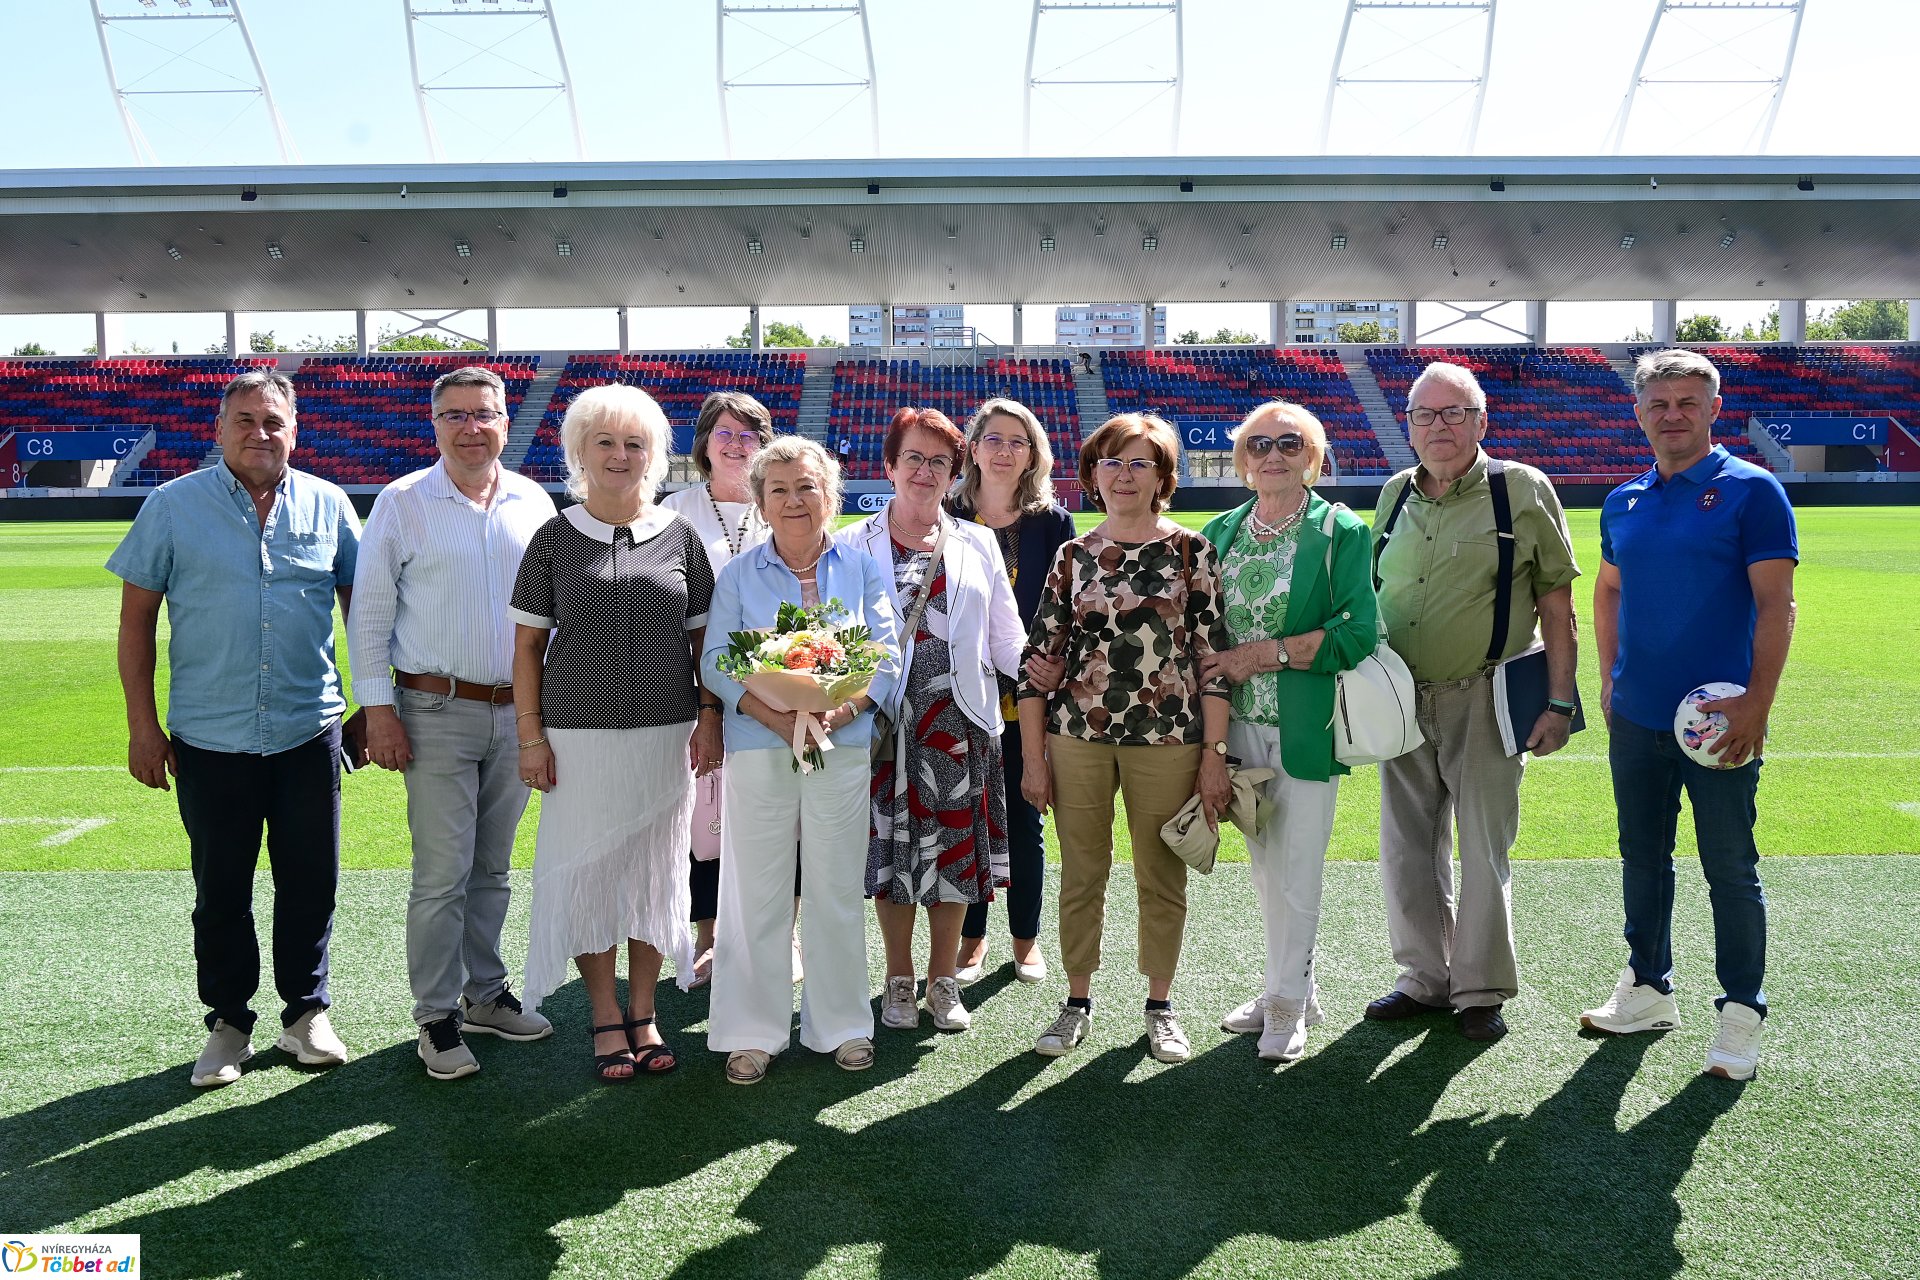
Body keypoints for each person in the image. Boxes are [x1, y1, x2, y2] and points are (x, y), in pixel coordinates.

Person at [108, 370, 361, 1088]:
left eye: (273, 421)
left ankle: (305, 1013)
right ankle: (228, 1023)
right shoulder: (171, 505)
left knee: (311, 881)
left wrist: (376, 702)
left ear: (294, 431)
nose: (259, 433)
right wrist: (142, 726)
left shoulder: (330, 504)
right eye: (244, 420)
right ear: (219, 430)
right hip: (208, 735)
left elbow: (362, 609)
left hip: (308, 729)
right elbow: (136, 622)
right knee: (221, 889)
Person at [1581, 348, 1797, 1082]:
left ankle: (1741, 1013)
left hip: (1719, 722)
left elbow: (1777, 604)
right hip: (1638, 717)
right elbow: (1608, 590)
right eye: (1659, 403)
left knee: (1729, 868)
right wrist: (1609, 680)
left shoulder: (1753, 491)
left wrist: (1758, 703)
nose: (1672, 415)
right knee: (1642, 856)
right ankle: (1648, 988)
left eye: (1687, 403)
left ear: (1713, 410)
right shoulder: (1624, 500)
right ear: (1639, 413)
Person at [346, 365, 557, 1081]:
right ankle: (435, 1015)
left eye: (484, 414)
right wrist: (379, 710)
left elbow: (550, 614)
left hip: (517, 711)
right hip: (433, 710)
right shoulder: (403, 501)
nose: (472, 428)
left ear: (506, 422)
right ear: (434, 425)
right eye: (456, 415)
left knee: (492, 866)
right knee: (442, 872)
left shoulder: (532, 501)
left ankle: (485, 994)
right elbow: (370, 614)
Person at [508, 384, 718, 1082]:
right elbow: (526, 647)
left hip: (665, 735)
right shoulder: (553, 537)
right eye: (605, 441)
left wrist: (710, 716)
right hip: (578, 738)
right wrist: (531, 738)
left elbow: (705, 645)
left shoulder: (681, 536)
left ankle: (644, 1011)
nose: (620, 455)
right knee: (589, 873)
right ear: (580, 451)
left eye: (634, 443)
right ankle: (604, 1014)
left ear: (654, 455)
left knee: (655, 872)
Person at [1369, 361, 1580, 1042]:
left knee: (1484, 847)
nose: (1440, 426)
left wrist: (1560, 703)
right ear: (1408, 426)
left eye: (1454, 412)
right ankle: (1423, 978)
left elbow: (1558, 605)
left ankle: (1481, 989)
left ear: (1480, 421)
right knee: (1406, 847)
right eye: (1425, 415)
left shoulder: (1521, 488)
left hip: (1485, 695)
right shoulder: (1394, 494)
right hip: (1402, 701)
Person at [1016, 413, 1232, 1064]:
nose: (1124, 475)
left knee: (1161, 877)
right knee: (1082, 874)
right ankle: (1076, 1002)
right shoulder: (1072, 556)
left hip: (1170, 739)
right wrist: (1032, 759)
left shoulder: (1192, 552)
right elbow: (1037, 663)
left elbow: (1213, 662)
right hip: (1077, 736)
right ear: (1092, 474)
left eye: (1141, 463)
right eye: (1112, 462)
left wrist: (1215, 757)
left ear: (1163, 477)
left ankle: (1160, 1007)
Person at [701, 436, 901, 1084]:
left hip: (841, 748)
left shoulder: (861, 567)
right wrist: (777, 718)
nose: (794, 500)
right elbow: (717, 662)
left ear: (830, 495)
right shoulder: (738, 575)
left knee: (835, 890)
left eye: (807, 486)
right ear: (761, 502)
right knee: (755, 894)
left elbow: (885, 655)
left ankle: (840, 1026)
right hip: (761, 748)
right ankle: (750, 1032)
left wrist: (840, 713)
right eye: (779, 490)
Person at [1198, 402, 1379, 1062]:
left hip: (1305, 727)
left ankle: (1286, 1005)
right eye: (1259, 444)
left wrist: (1262, 655)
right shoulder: (1219, 532)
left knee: (1298, 871)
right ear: (1243, 459)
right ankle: (1290, 985)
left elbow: (1360, 632)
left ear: (1313, 457)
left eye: (1290, 443)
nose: (1273, 455)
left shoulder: (1340, 531)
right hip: (1236, 727)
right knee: (1266, 869)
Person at [844, 407, 1024, 1036]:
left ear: (954, 473)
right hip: (884, 730)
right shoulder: (852, 543)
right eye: (913, 458)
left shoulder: (978, 542)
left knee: (955, 859)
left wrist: (1050, 669)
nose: (924, 471)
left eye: (939, 462)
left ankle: (941, 980)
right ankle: (898, 979)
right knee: (892, 858)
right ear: (890, 466)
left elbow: (1006, 640)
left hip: (961, 724)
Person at [946, 397, 1077, 986]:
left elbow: (1069, 608)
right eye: (993, 439)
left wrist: (1053, 667)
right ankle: (971, 937)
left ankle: (1025, 940)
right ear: (973, 449)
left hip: (1031, 694)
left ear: (1032, 455)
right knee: (967, 815)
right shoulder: (947, 513)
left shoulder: (1052, 522)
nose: (1004, 451)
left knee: (1026, 817)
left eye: (1017, 442)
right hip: (958, 693)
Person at [660, 392, 778, 990]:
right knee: (703, 818)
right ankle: (707, 936)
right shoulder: (673, 511)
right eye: (725, 432)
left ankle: (781, 935)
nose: (736, 444)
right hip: (692, 691)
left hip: (775, 692)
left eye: (748, 434)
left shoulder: (779, 502)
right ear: (704, 442)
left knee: (774, 816)